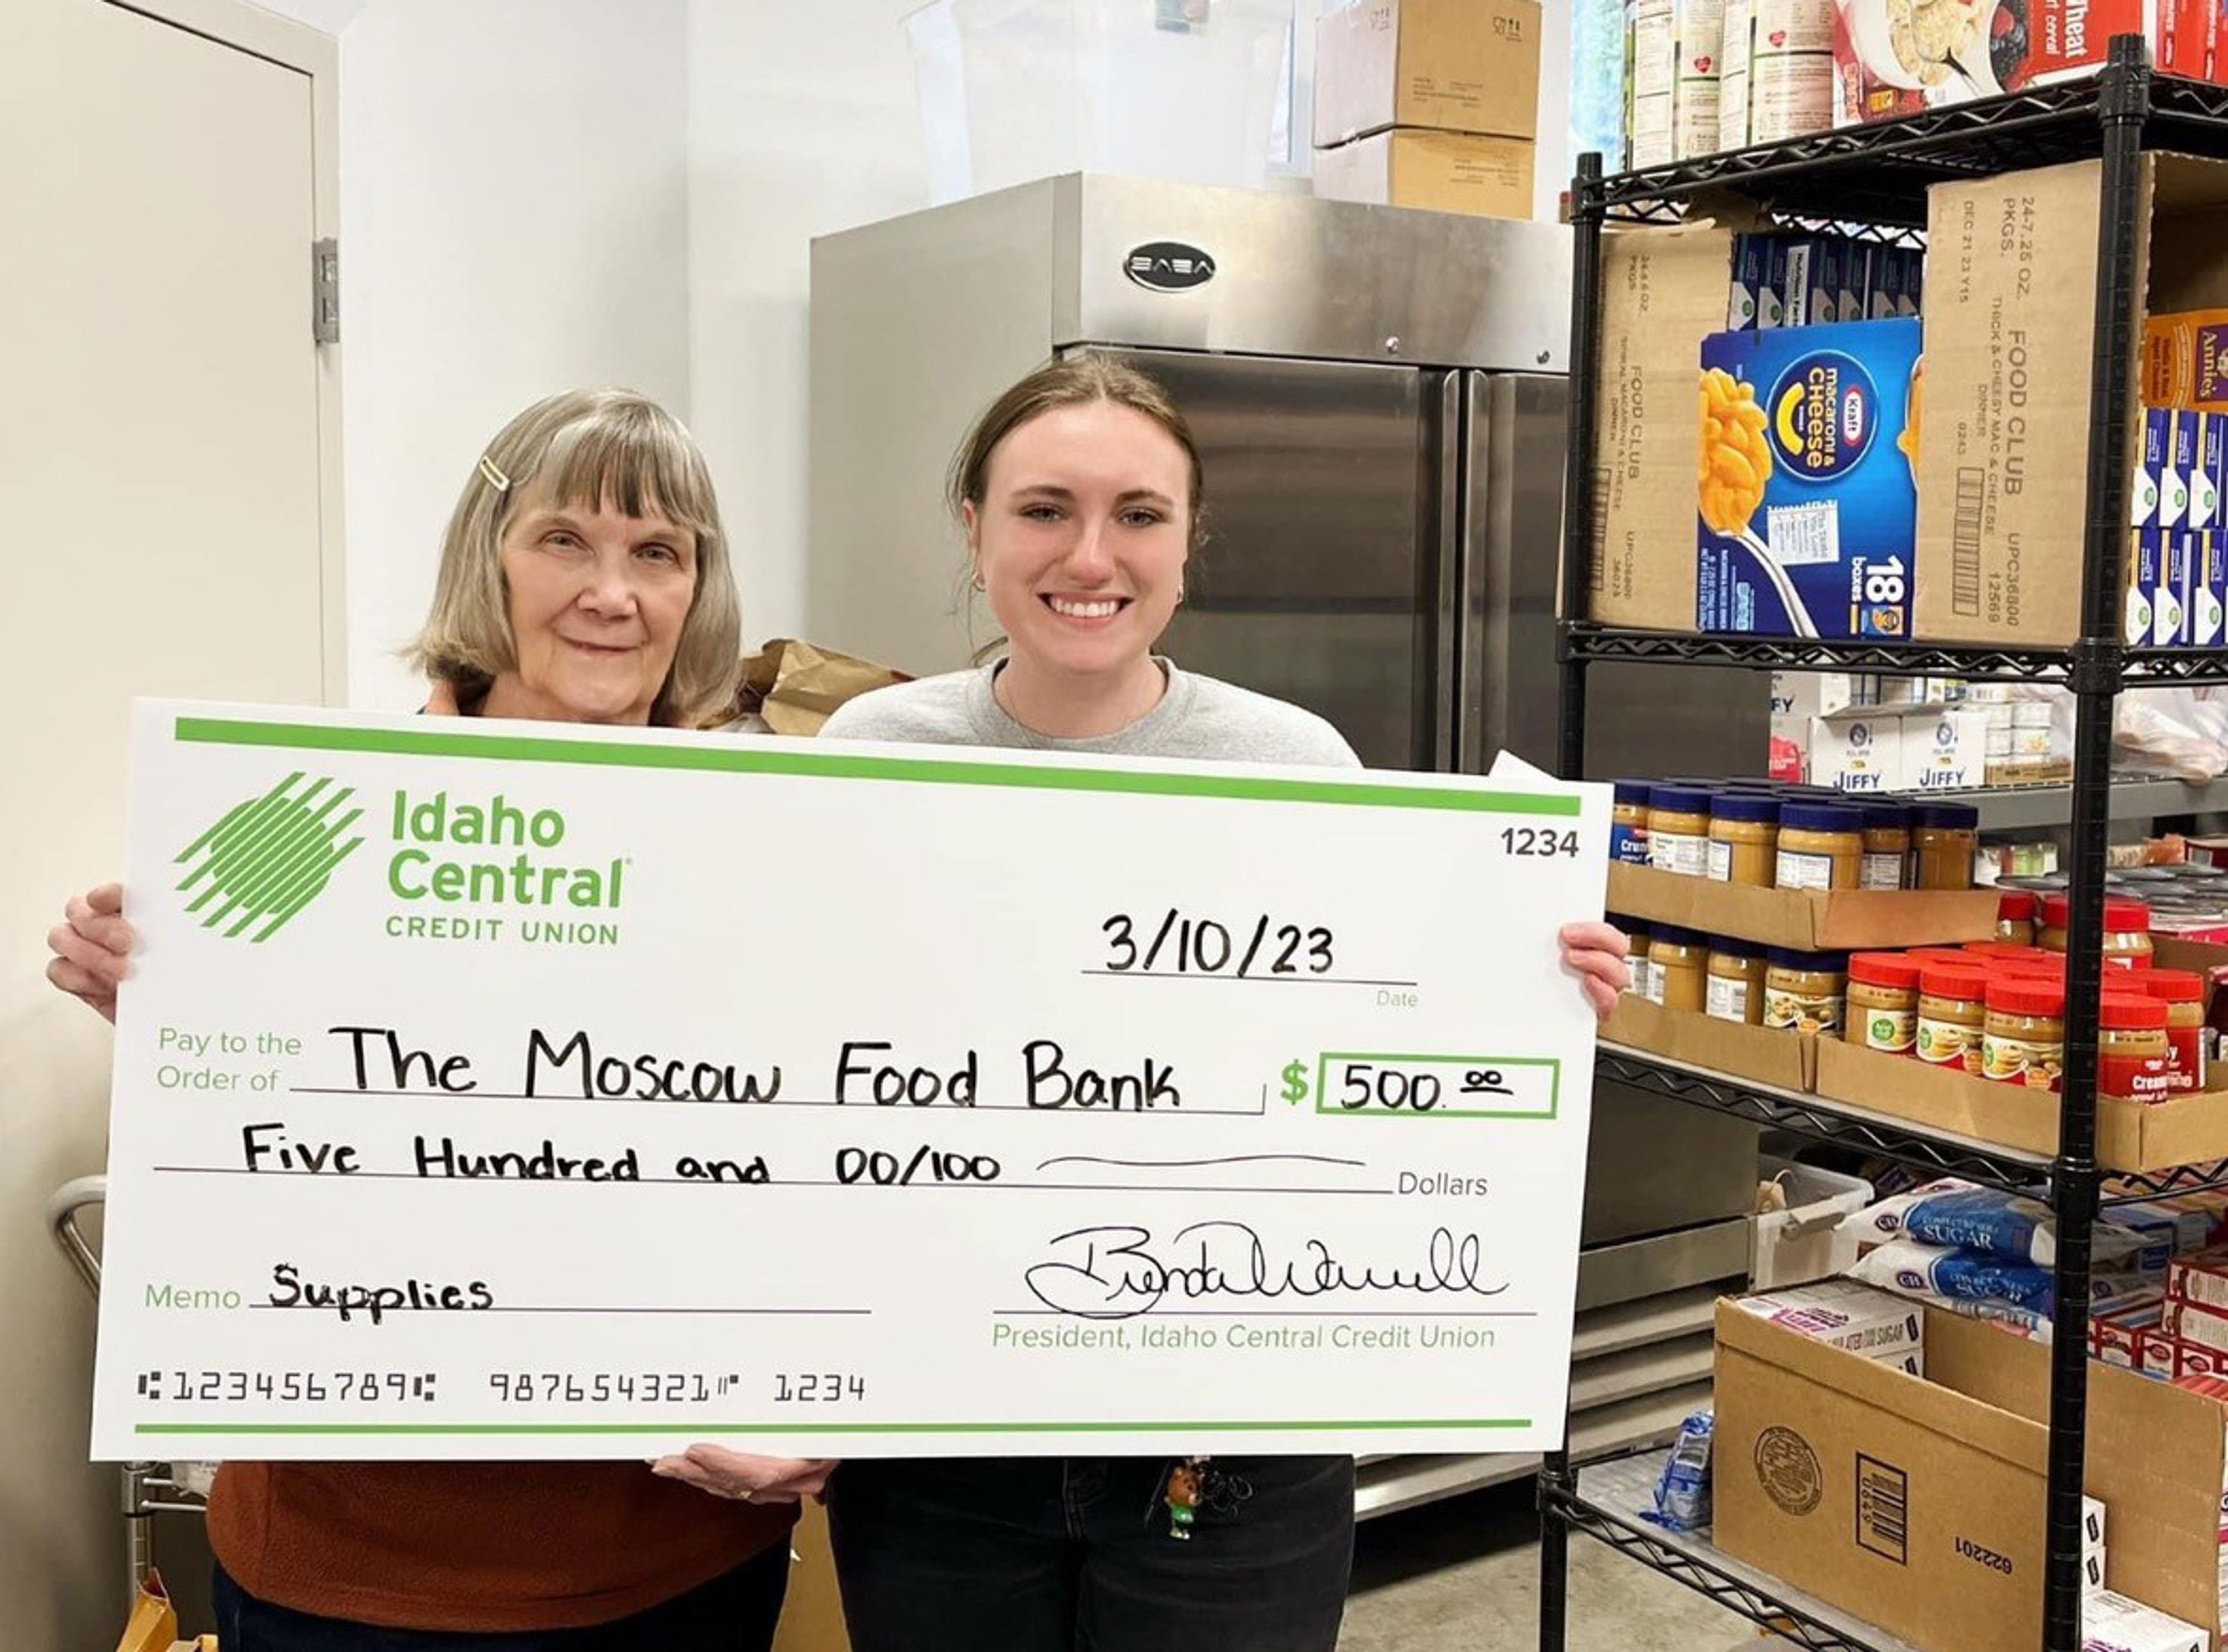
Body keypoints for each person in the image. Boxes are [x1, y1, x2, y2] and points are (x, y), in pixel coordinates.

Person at [659, 353, 1630, 1651]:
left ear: (1188, 544)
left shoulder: (1294, 762)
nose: (1091, 555)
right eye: (1045, 507)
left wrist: (1527, 992)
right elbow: (803, 1078)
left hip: (1226, 1448)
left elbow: (1374, 1059)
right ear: (976, 528)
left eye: (1139, 514)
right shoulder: (876, 752)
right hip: (942, 1439)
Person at [45, 389, 830, 1649]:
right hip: (358, 1564)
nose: (611, 592)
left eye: (658, 552)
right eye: (564, 539)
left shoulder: (779, 839)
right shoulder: (320, 814)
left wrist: (837, 1400)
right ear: (488, 555)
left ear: (700, 590)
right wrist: (149, 992)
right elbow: (265, 1119)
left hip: (679, 1561)